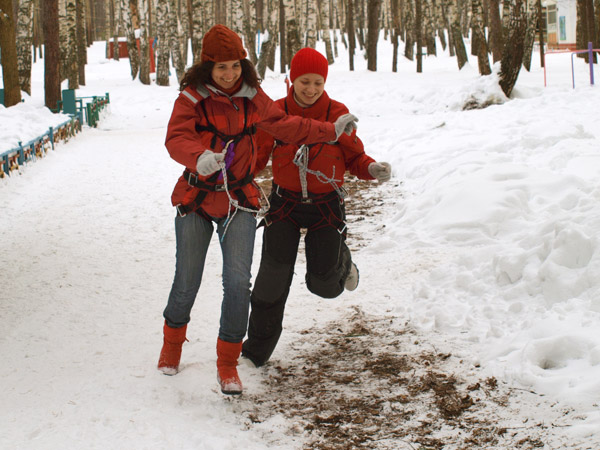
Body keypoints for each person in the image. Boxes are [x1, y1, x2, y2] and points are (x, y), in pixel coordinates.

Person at [157, 26, 359, 395]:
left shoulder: (254, 98)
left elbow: (288, 124)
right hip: (197, 198)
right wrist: (198, 156)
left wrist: (330, 131)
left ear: (243, 65)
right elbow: (176, 137)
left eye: (235, 65)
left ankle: (228, 363)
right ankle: (171, 345)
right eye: (221, 67)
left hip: (239, 200)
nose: (229, 74)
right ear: (208, 66)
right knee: (187, 280)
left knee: (237, 282)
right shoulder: (190, 99)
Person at [242, 48, 392, 368]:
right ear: (292, 79)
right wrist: (237, 177)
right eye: (304, 81)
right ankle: (255, 353)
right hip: (285, 205)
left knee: (324, 285)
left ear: (325, 82)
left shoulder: (337, 113)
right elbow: (256, 157)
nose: (310, 89)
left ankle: (343, 261)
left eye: (318, 82)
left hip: (327, 206)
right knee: (271, 280)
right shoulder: (277, 112)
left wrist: (371, 168)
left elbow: (354, 157)